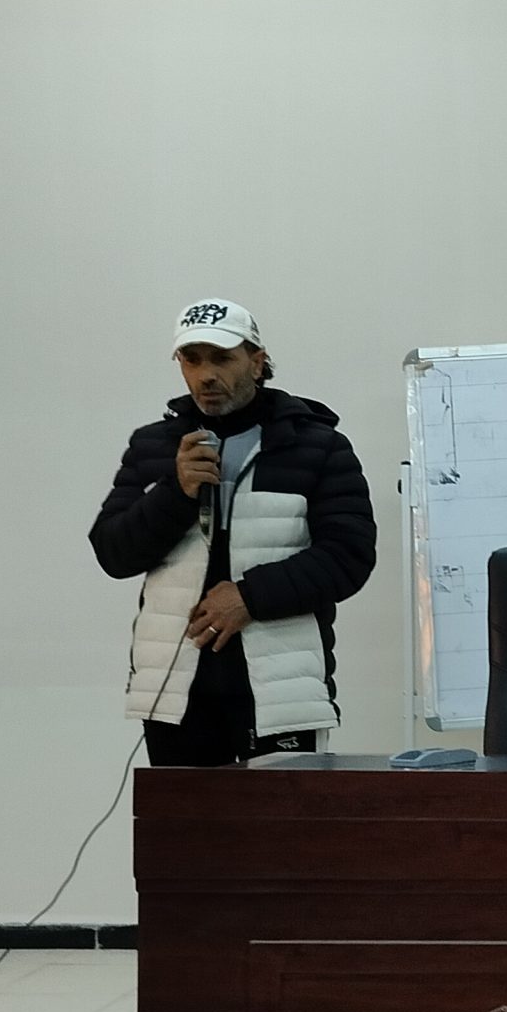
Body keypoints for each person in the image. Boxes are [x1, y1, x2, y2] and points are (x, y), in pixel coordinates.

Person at [89, 299, 377, 766]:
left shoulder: (318, 445)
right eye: (191, 359)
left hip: (281, 693)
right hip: (176, 696)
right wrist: (176, 492)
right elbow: (113, 553)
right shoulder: (153, 447)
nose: (205, 375)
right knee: (186, 819)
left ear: (257, 362)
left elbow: (349, 556)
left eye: (222, 358)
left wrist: (249, 596)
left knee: (280, 818)